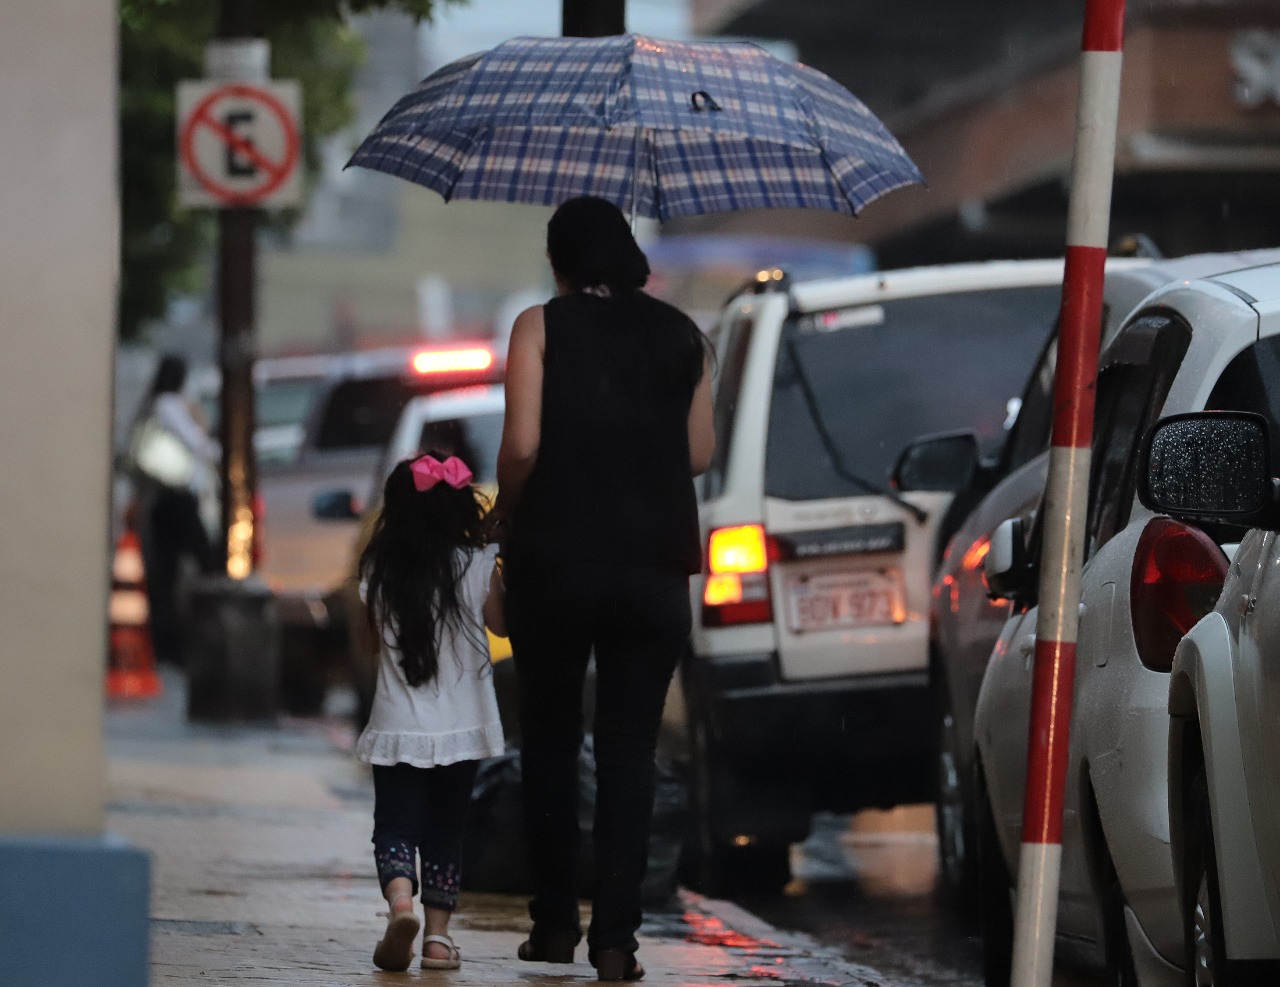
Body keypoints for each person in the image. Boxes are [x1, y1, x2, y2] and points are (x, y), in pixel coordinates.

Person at [489, 196, 715, 982]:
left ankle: (553, 924)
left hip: (556, 564)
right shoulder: (686, 337)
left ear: (560, 263)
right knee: (630, 754)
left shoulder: (539, 327)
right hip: (654, 570)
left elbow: (520, 444)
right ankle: (616, 939)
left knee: (549, 742)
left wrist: (504, 517)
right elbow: (696, 453)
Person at [355, 453, 506, 973]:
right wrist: (489, 553)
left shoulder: (379, 569)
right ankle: (438, 942)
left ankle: (400, 906)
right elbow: (503, 625)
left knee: (395, 827)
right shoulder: (476, 565)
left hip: (399, 729)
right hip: (462, 731)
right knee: (446, 832)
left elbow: (372, 636)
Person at [127, 354, 218, 662]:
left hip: (165, 499)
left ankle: (167, 645)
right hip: (175, 499)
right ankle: (181, 644)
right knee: (205, 562)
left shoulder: (156, 404)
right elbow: (198, 444)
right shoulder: (168, 405)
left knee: (166, 573)